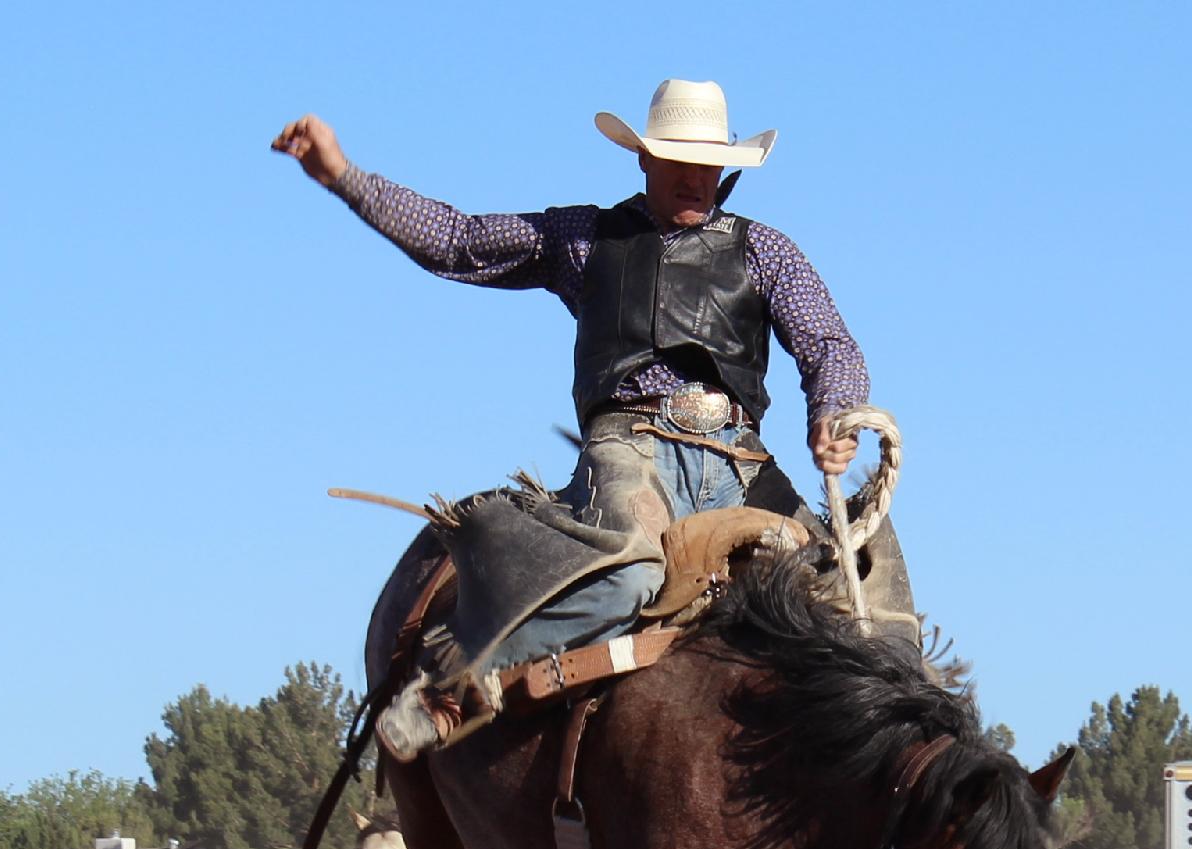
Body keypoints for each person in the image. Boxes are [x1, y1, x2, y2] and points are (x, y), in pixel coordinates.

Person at [272, 79, 914, 759]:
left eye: (709, 163)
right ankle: (449, 683)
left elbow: (828, 344)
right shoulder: (584, 239)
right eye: (678, 159)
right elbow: (460, 242)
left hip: (738, 460)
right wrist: (345, 176)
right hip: (631, 449)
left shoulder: (767, 251)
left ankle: (912, 754)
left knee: (849, 589)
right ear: (643, 160)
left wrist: (835, 413)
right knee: (628, 577)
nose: (696, 177)